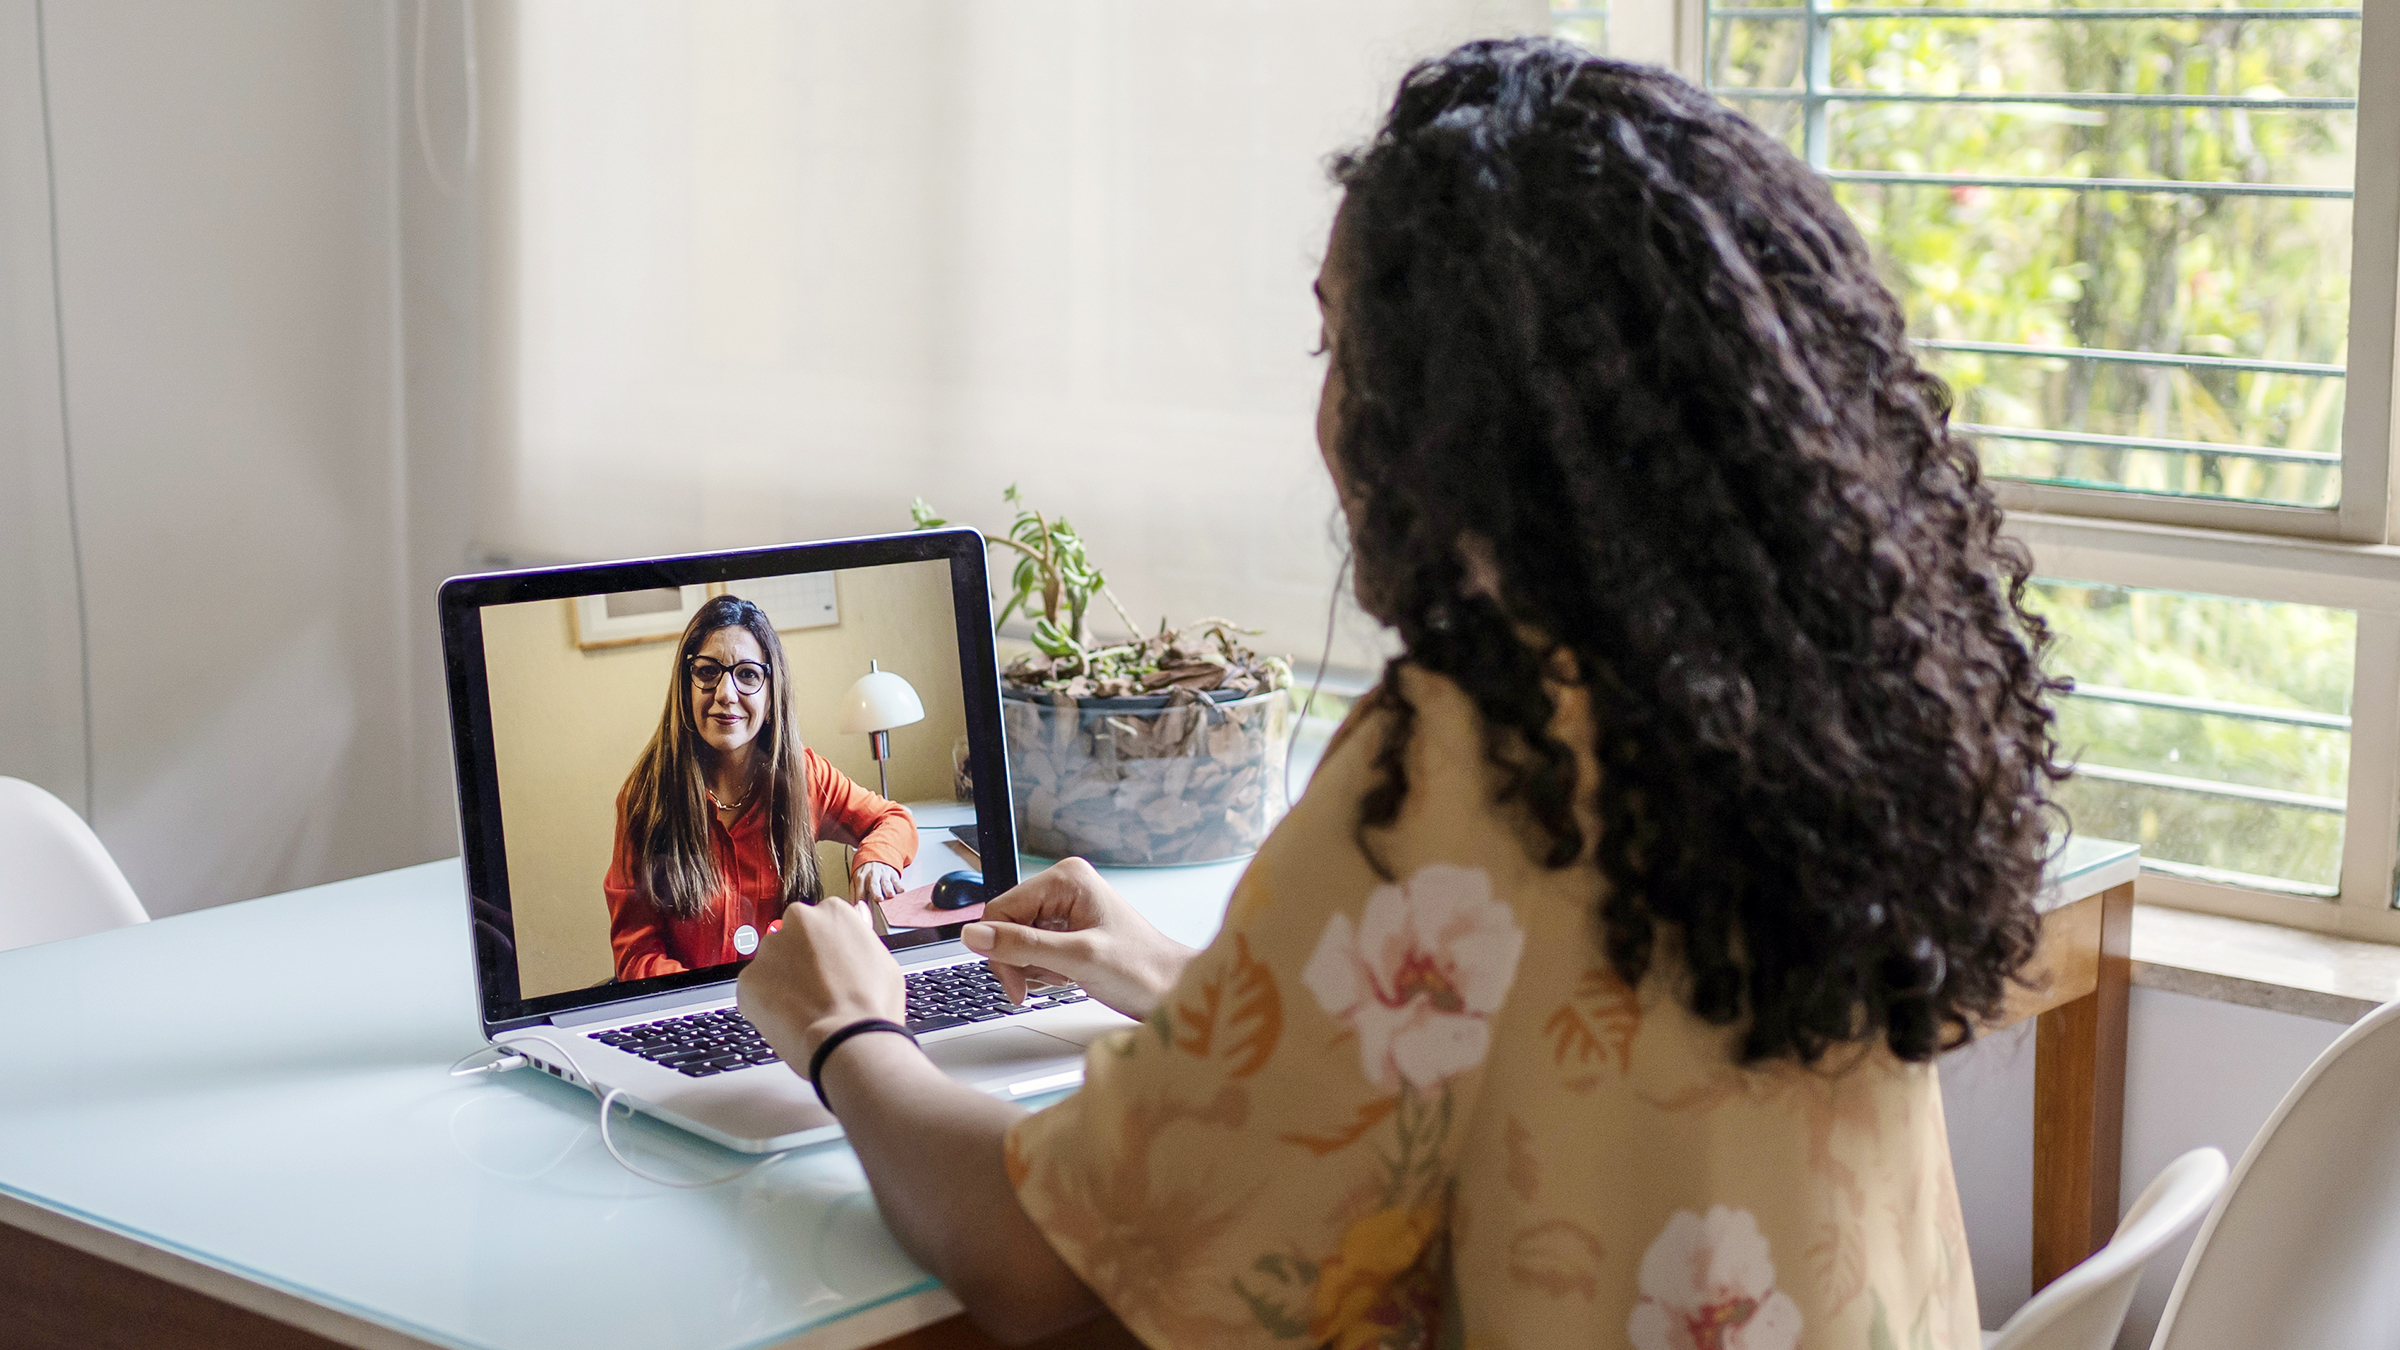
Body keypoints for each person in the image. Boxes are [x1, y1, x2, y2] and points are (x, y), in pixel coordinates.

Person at [738, 39, 2062, 1350]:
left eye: (1339, 342)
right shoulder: (1785, 706)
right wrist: (1197, 987)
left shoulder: (1482, 754)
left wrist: (848, 1028)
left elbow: (1030, 1259)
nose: (1324, 408)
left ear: (1464, 406)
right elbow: (1568, 1033)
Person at [605, 595, 916, 982]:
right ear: (686, 686)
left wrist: (875, 858)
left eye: (748, 675)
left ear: (772, 696)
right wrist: (714, 1002)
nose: (725, 693)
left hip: (792, 1005)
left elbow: (892, 819)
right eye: (707, 672)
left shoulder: (804, 776)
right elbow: (636, 955)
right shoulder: (645, 797)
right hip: (695, 1015)